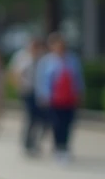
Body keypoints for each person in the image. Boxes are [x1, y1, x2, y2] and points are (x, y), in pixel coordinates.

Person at [35, 33, 85, 164]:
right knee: (56, 124)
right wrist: (43, 95)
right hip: (54, 99)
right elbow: (41, 80)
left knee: (68, 124)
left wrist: (79, 93)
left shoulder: (72, 59)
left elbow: (78, 78)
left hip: (69, 98)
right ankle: (58, 147)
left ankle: (65, 146)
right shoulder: (46, 61)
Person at [8, 36, 46, 155]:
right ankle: (28, 143)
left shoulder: (42, 57)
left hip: (40, 92)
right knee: (31, 117)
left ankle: (36, 141)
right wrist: (18, 86)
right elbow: (13, 73)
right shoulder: (21, 56)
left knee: (41, 118)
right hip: (27, 91)